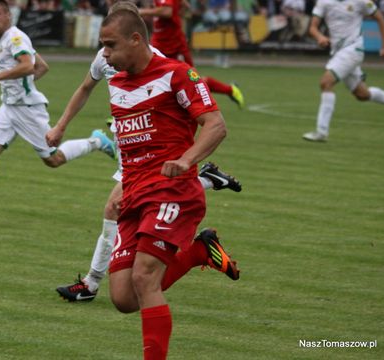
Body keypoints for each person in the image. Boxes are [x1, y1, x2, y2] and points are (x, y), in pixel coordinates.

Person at [51, 0, 242, 303]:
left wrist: (184, 157)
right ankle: (205, 189)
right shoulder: (105, 56)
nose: (107, 50)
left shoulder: (159, 64)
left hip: (150, 151)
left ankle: (91, 284)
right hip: (128, 143)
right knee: (114, 213)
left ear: (134, 33)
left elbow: (191, 119)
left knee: (114, 209)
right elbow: (86, 87)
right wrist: (60, 126)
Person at [99, 9, 239, 358]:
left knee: (145, 279)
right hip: (134, 194)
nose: (104, 54)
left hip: (172, 191)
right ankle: (198, 252)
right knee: (122, 298)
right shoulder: (116, 85)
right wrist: (120, 188)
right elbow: (132, 149)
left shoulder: (177, 74)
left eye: (109, 45)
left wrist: (187, 160)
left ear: (136, 39)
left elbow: (216, 124)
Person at [0, 0, 115, 224]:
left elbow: (27, 65)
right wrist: (20, 84)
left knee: (53, 159)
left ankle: (97, 142)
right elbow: (41, 66)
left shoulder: (15, 37)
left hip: (27, 109)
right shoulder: (9, 39)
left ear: (8, 15)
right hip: (9, 107)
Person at [303, 0, 384, 142]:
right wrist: (320, 37)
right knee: (362, 94)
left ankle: (321, 132)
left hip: (354, 49)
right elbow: (312, 27)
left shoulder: (361, 1)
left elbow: (379, 17)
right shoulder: (324, 2)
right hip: (338, 52)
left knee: (326, 82)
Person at [138, 0, 246, 109]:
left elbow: (167, 11)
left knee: (193, 80)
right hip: (160, 44)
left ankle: (230, 91)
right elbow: (184, 6)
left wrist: (142, 11)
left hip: (175, 46)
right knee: (152, 75)